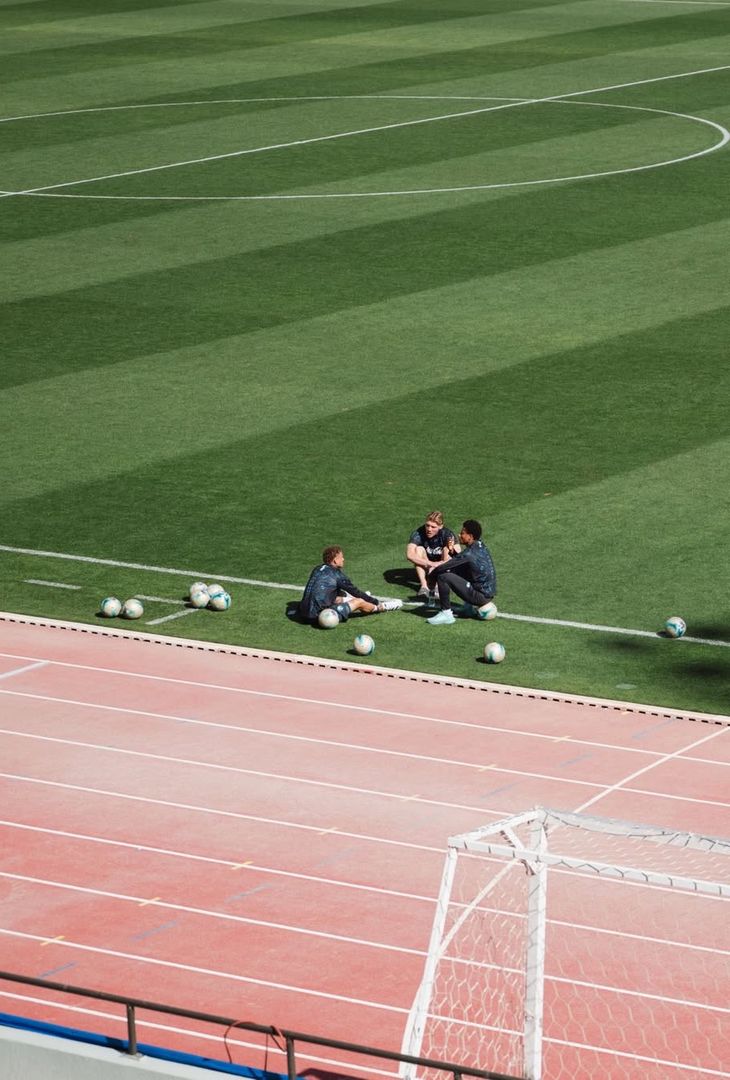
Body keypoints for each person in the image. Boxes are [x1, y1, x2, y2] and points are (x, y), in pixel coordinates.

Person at [299, 546, 402, 624]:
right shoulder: (337, 575)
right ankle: (383, 607)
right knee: (359, 601)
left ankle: (352, 600)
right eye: (341, 557)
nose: (343, 559)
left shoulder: (317, 569)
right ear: (335, 560)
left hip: (303, 612)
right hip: (321, 617)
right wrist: (375, 601)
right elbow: (356, 592)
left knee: (338, 595)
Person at [425, 520, 496, 626]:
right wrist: (452, 551)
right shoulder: (480, 546)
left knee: (443, 576)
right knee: (459, 570)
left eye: (462, 533)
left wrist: (431, 577)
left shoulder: (469, 553)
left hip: (480, 596)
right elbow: (461, 560)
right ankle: (468, 608)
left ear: (470, 536)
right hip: (488, 592)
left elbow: (445, 567)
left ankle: (446, 614)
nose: (459, 535)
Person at [406, 511, 461, 600]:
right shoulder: (419, 533)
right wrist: (431, 564)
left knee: (447, 550)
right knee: (418, 549)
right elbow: (410, 555)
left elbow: (457, 555)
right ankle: (424, 587)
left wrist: (440, 564)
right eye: (427, 525)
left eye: (433, 527)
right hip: (428, 565)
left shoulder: (447, 534)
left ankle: (438, 586)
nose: (429, 529)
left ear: (440, 526)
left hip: (443, 566)